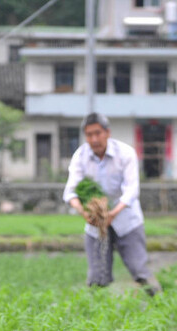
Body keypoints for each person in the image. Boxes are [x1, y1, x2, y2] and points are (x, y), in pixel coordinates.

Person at [63, 112, 160, 296]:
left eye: (97, 133)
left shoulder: (125, 153)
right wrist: (84, 212)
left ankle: (163, 306)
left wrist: (113, 213)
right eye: (89, 134)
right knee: (97, 279)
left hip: (127, 221)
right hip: (96, 225)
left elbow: (132, 190)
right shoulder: (80, 156)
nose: (94, 139)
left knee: (140, 271)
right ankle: (96, 318)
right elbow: (70, 192)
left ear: (108, 133)